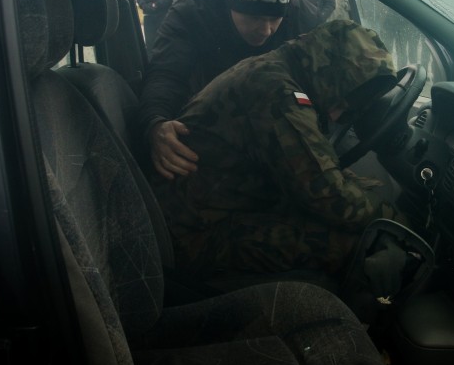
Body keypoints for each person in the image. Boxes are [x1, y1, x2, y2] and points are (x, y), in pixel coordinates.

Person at [154, 20, 408, 278]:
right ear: (328, 69)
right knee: (354, 246)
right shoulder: (278, 96)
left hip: (215, 206)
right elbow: (325, 194)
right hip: (195, 235)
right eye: (340, 100)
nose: (336, 115)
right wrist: (396, 221)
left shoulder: (275, 69)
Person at [139, 0, 318, 181]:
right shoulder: (191, 12)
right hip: (211, 131)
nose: (266, 30)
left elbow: (324, 64)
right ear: (231, 3)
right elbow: (166, 74)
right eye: (254, 18)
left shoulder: (296, 11)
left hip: (279, 127)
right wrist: (156, 122)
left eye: (275, 19)